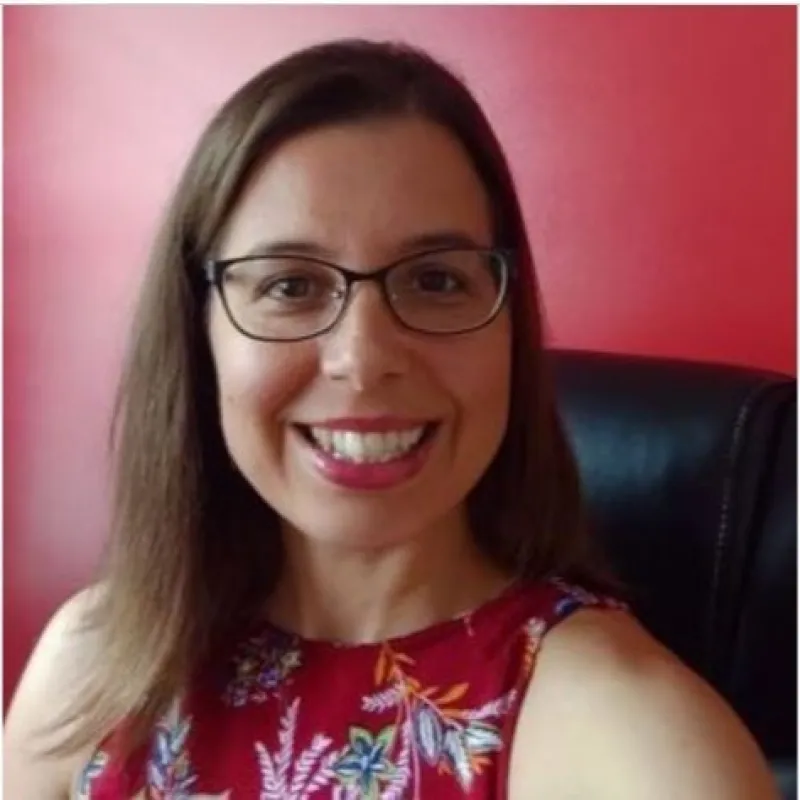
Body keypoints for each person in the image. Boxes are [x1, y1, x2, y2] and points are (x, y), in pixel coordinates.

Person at [4, 39, 777, 799]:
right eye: (289, 285)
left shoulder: (632, 739)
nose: (364, 358)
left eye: (435, 280)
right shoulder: (93, 659)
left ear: (508, 326)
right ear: (198, 333)